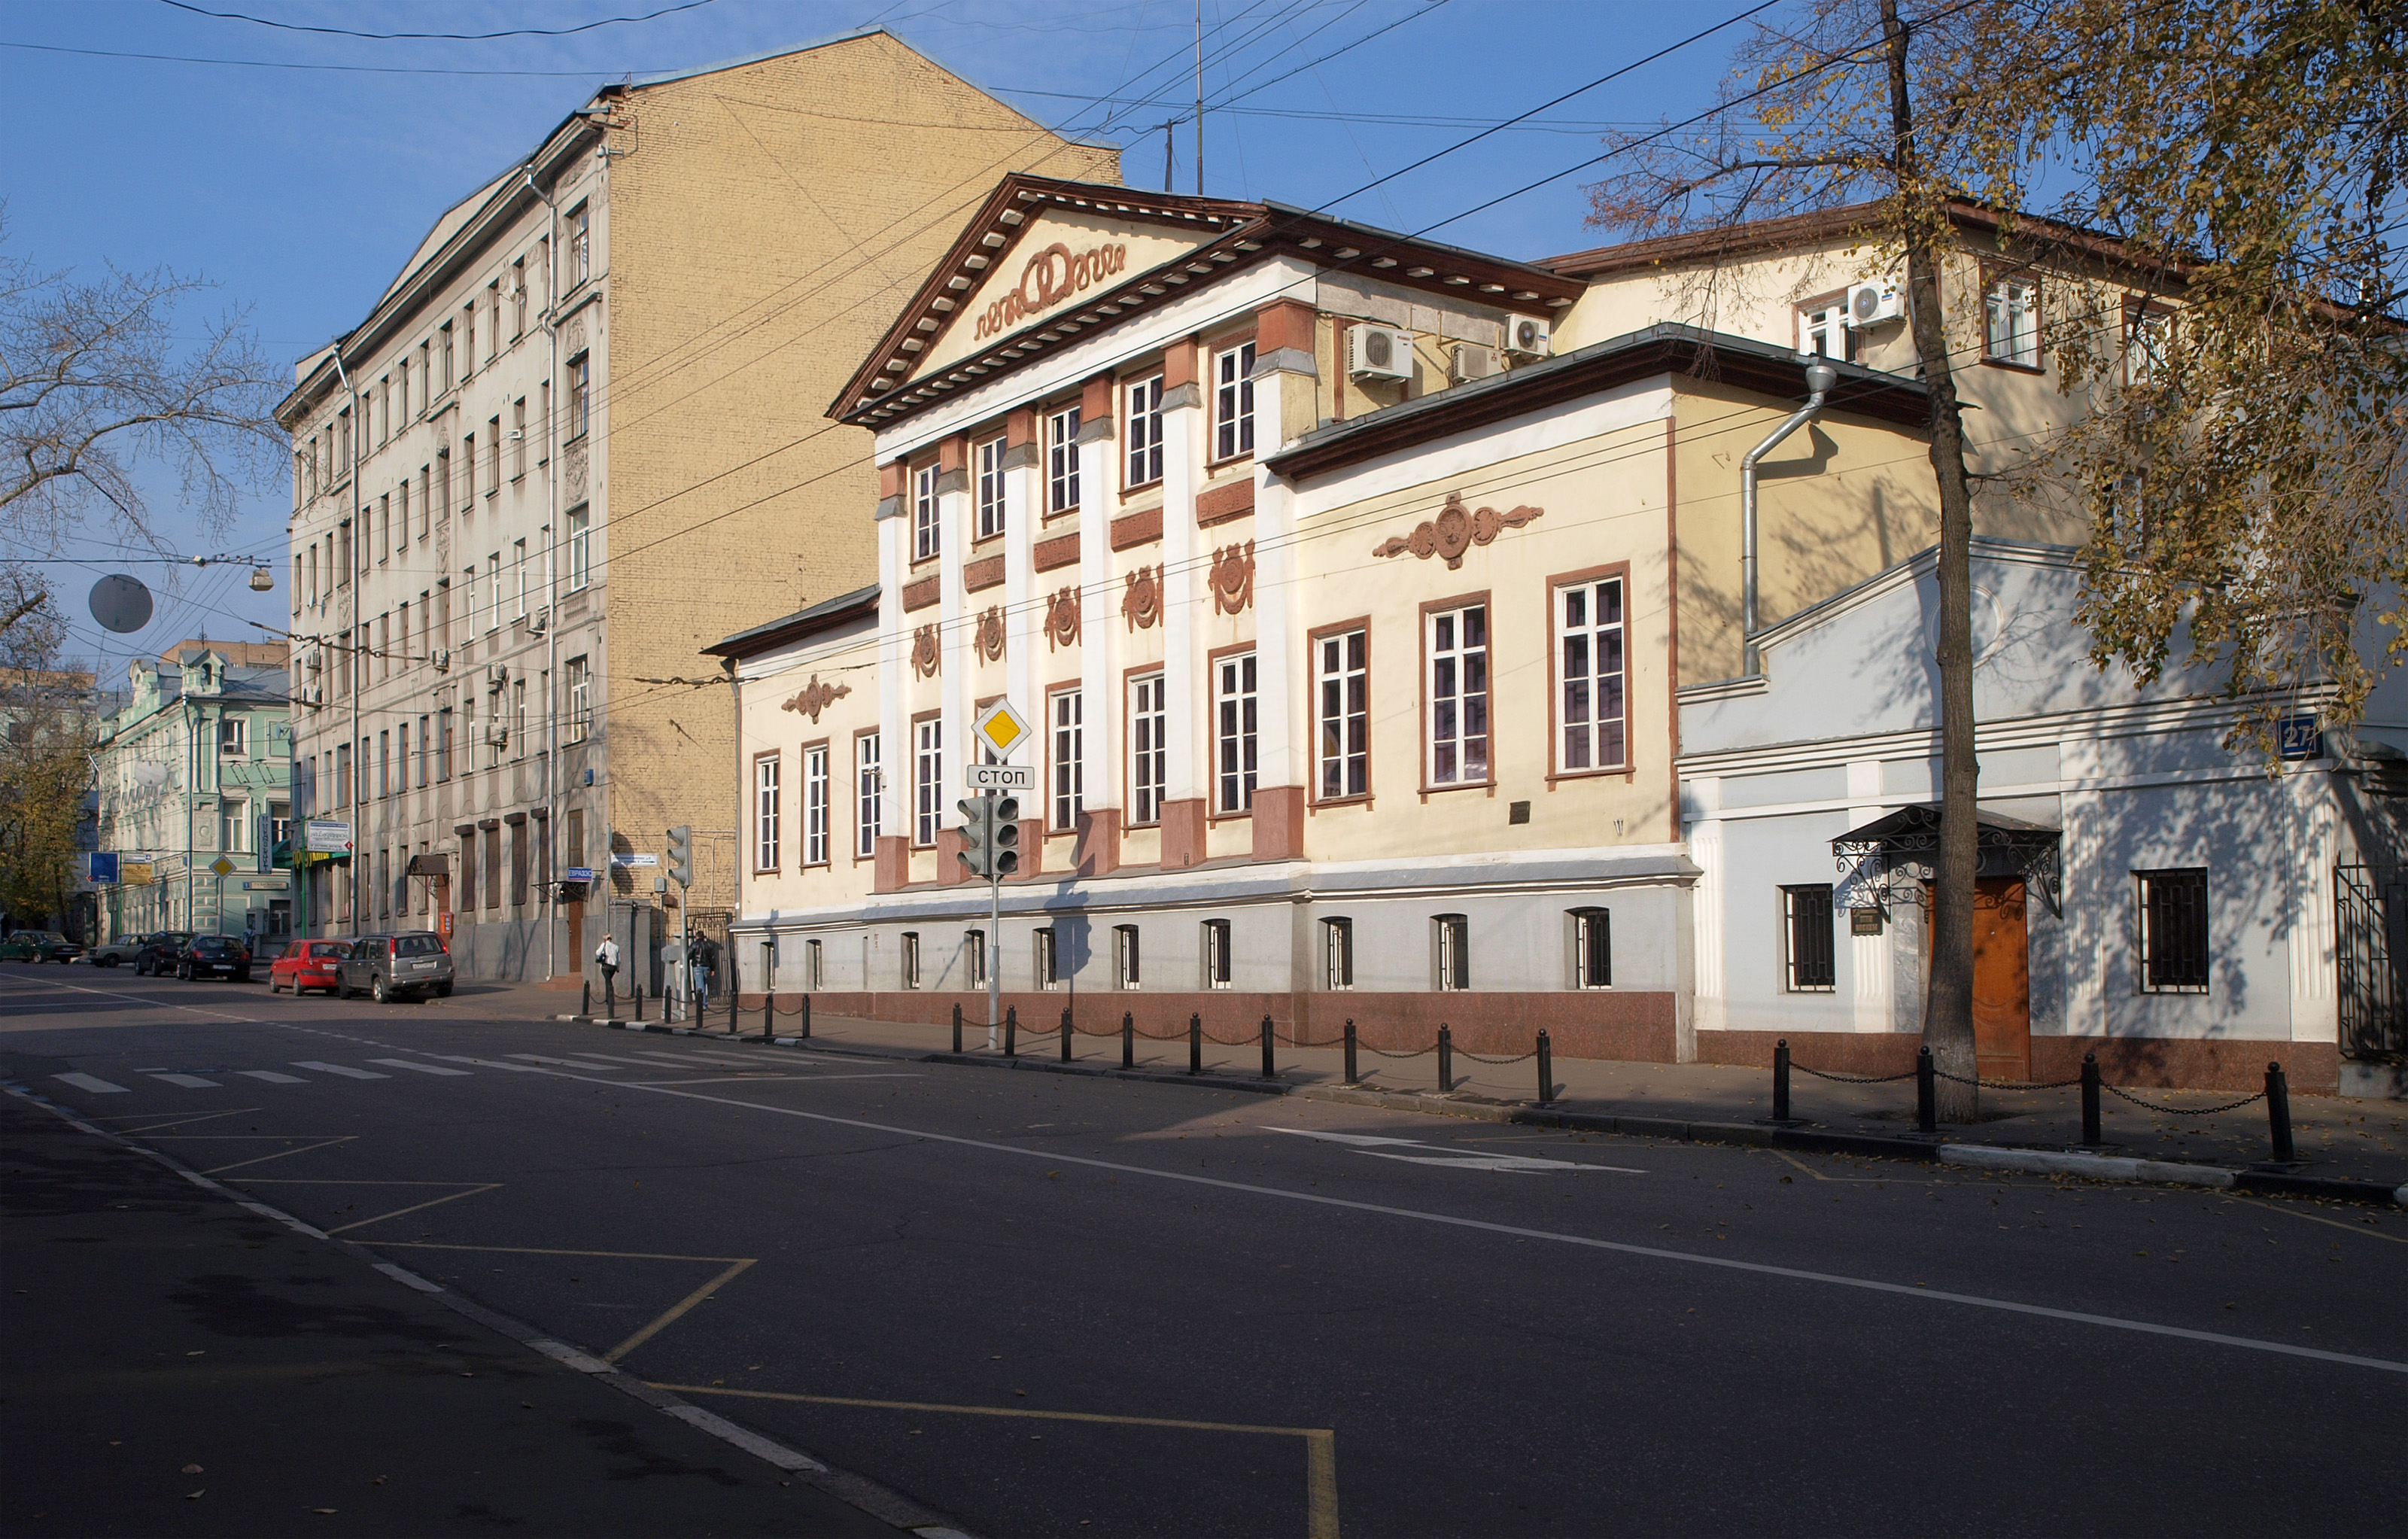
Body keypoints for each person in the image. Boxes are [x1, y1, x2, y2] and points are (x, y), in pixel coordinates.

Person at [691, 935, 718, 1011]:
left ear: (697, 937)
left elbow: (688, 954)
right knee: (704, 985)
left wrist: (693, 959)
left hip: (697, 967)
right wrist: (713, 969)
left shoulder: (694, 944)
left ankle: (703, 1004)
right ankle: (703, 1003)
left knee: (700, 986)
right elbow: (712, 958)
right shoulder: (709, 945)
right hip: (707, 967)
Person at [595, 934, 621, 1007]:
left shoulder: (604, 945)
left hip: (606, 966)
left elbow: (597, 952)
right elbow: (619, 959)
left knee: (608, 981)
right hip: (613, 967)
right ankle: (608, 998)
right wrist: (618, 968)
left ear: (605, 939)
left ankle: (610, 999)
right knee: (609, 980)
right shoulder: (616, 947)